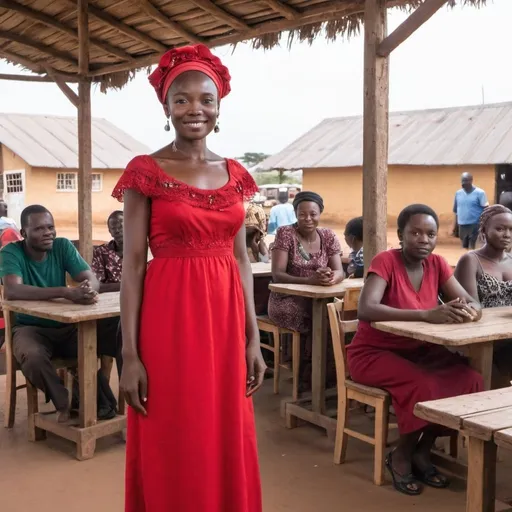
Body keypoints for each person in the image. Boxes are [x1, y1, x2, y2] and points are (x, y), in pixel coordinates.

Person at [113, 44, 265, 512]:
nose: (194, 109)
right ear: (166, 107)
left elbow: (241, 259)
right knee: (174, 429)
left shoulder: (235, 174)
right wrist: (130, 353)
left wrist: (253, 337)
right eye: (182, 99)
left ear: (219, 108)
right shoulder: (145, 172)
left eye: (206, 99)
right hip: (169, 321)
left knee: (222, 426)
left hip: (224, 322)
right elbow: (133, 263)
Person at [347, 204, 483, 496]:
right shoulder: (385, 262)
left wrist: (470, 311)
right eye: (415, 232)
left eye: (430, 234)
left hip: (420, 351)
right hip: (374, 353)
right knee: (424, 385)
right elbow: (366, 309)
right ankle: (401, 454)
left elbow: (473, 302)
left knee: (470, 379)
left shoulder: (437, 264)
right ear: (401, 235)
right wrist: (427, 314)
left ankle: (424, 448)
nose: (423, 239)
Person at [0, 205, 119, 422]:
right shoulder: (11, 252)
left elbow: (90, 278)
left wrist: (88, 288)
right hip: (30, 328)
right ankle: (65, 401)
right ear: (24, 233)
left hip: (65, 325)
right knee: (33, 357)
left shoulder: (62, 246)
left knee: (111, 336)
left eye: (51, 227)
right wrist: (65, 291)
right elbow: (12, 290)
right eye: (39, 229)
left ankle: (96, 401)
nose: (48, 233)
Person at [268, 191, 344, 387]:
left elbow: (340, 271)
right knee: (315, 317)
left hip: (317, 297)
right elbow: (278, 274)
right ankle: (307, 373)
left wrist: (331, 278)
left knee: (333, 316)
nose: (308, 219)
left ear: (320, 213)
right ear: (295, 213)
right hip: (286, 299)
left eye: (313, 214)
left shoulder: (327, 236)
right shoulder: (286, 234)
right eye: (302, 214)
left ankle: (325, 373)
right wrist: (310, 280)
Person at [454, 204, 512, 386]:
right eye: (500, 229)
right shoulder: (471, 261)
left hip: (507, 336)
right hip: (481, 340)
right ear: (484, 230)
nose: (507, 234)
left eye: (510, 229)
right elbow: (472, 309)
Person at [452, 172, 488, 250]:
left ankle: (473, 260)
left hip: (475, 224)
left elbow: (486, 208)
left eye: (466, 181)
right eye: (463, 181)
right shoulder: (458, 193)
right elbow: (456, 210)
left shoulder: (480, 193)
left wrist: (484, 223)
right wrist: (455, 225)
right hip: (462, 224)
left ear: (471, 180)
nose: (464, 184)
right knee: (464, 246)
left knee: (473, 246)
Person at [92, 210, 124, 293]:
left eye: (120, 226)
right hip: (108, 301)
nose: (117, 231)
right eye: (113, 228)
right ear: (110, 232)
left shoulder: (141, 250)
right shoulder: (101, 252)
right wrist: (128, 285)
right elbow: (96, 285)